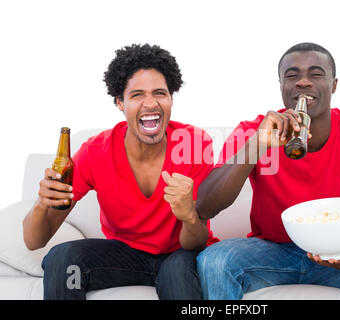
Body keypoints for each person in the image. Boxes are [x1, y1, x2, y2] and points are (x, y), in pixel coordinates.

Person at [195, 42, 340, 300]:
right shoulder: (254, 131)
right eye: (292, 76)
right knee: (214, 260)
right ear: (281, 85)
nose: (303, 83)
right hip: (273, 254)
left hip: (339, 254)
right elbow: (205, 206)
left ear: (334, 85)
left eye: (316, 74)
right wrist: (257, 144)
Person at [22, 43, 218, 300]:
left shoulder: (193, 143)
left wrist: (189, 216)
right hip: (125, 256)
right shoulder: (95, 152)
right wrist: (42, 203)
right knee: (62, 259)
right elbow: (34, 241)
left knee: (177, 274)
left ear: (171, 99)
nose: (150, 103)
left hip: (180, 254)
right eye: (137, 95)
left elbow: (196, 241)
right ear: (119, 102)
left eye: (160, 93)